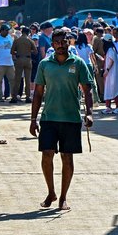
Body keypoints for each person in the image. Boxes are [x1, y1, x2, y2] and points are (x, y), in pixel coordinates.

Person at [30, 29, 94, 211]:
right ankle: (51, 192)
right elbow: (38, 94)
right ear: (52, 45)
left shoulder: (78, 63)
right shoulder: (44, 65)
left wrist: (89, 113)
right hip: (49, 118)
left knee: (67, 158)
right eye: (56, 42)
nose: (60, 45)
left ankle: (63, 197)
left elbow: (87, 90)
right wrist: (33, 119)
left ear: (69, 42)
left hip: (71, 118)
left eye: (63, 42)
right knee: (46, 155)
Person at [10, 26, 37, 103]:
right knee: (28, 80)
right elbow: (35, 51)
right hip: (28, 60)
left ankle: (14, 97)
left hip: (19, 60)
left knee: (17, 79)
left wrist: (18, 53)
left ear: (22, 32)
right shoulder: (30, 41)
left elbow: (12, 52)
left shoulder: (17, 41)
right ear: (28, 33)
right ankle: (28, 97)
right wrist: (29, 51)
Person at [100, 34, 118, 114]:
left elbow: (111, 61)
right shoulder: (110, 49)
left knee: (114, 89)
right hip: (111, 74)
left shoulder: (110, 50)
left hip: (112, 74)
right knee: (109, 90)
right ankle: (108, 107)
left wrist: (107, 70)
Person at [0, 24, 15, 101]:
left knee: (12, 80)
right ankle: (0, 97)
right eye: (6, 30)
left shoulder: (9, 37)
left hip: (10, 63)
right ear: (2, 30)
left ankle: (13, 96)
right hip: (0, 63)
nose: (7, 32)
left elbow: (12, 49)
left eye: (8, 31)